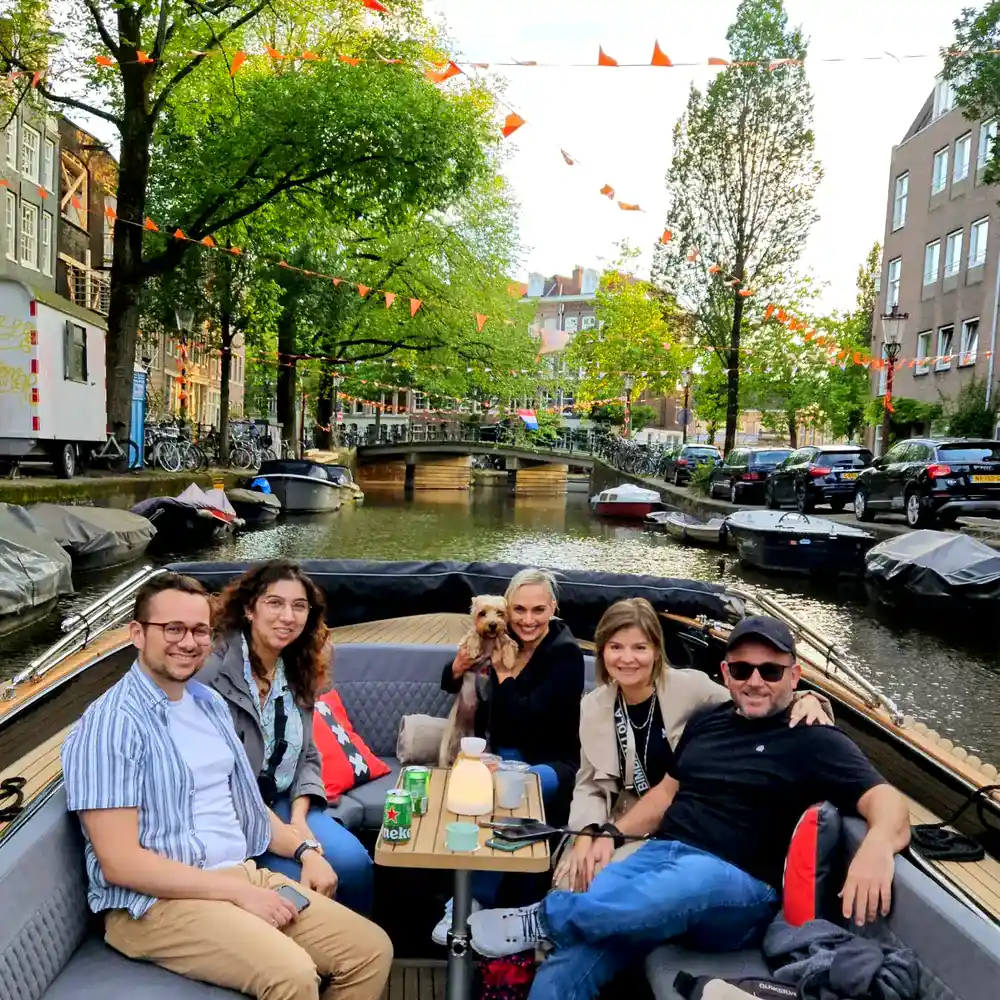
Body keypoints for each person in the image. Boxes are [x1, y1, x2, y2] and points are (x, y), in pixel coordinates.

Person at [468, 615, 911, 1000]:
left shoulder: (814, 738)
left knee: (689, 879)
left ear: (795, 677)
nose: (755, 680)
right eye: (742, 669)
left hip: (738, 890)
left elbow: (887, 800)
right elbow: (663, 795)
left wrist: (875, 847)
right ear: (725, 672)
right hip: (662, 860)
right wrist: (608, 833)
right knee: (567, 966)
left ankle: (545, 917)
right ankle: (558, 930)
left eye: (771, 671)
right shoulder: (708, 721)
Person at [61, 573, 392, 1000]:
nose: (188, 642)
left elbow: (248, 806)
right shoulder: (111, 725)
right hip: (154, 905)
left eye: (199, 630)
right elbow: (120, 863)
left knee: (370, 951)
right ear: (137, 634)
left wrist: (304, 851)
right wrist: (237, 893)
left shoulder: (208, 703)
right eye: (172, 629)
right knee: (292, 976)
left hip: (239, 876)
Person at [554, 598, 834, 892]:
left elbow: (754, 695)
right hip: (619, 818)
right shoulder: (594, 706)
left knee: (598, 886)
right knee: (569, 878)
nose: (627, 659)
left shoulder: (692, 689)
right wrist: (587, 834)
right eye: (616, 647)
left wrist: (806, 698)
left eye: (639, 647)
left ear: (656, 651)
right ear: (602, 652)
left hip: (678, 822)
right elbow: (589, 784)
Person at [198, 559, 374, 915]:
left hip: (283, 800)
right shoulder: (212, 673)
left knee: (355, 865)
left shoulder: (298, 668)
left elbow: (308, 756)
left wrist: (298, 820)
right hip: (232, 812)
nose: (288, 617)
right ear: (249, 609)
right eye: (274, 603)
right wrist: (301, 848)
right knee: (300, 880)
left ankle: (350, 957)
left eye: (299, 606)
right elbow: (223, 782)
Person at [433, 567, 585, 943]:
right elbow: (449, 681)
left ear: (553, 608)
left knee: (509, 789)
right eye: (519, 610)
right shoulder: (500, 637)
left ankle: (471, 901)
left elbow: (525, 719)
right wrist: (456, 668)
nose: (527, 620)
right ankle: (474, 903)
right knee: (481, 787)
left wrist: (503, 674)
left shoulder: (565, 655)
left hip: (553, 759)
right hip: (498, 749)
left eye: (538, 610)